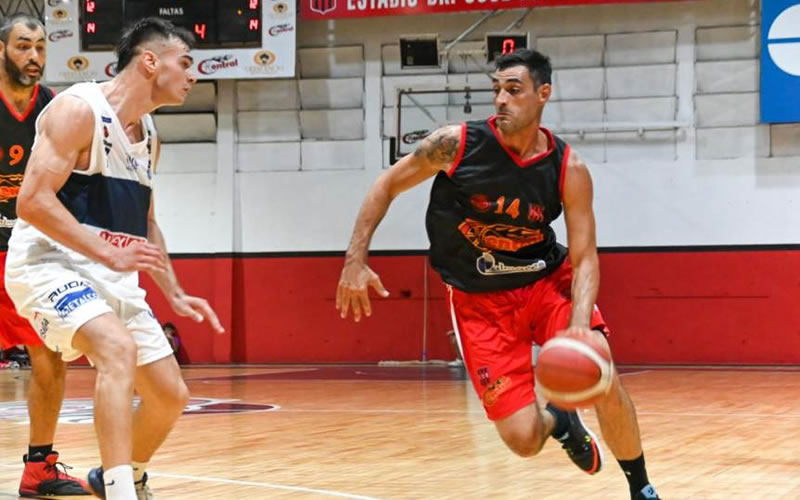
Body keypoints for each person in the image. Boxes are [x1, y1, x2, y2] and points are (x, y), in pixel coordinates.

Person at [336, 49, 660, 500]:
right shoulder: (456, 145)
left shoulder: (568, 169)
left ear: (543, 94)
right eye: (497, 90)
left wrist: (579, 327)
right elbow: (386, 184)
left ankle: (642, 488)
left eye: (513, 90)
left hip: (545, 283)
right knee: (523, 440)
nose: (501, 100)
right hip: (479, 302)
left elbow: (585, 257)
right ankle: (560, 421)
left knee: (599, 367)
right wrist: (355, 259)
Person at [5, 17, 224, 500]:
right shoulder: (78, 110)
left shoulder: (150, 136)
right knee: (116, 349)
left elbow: (147, 223)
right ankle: (123, 492)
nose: (193, 75)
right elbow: (32, 202)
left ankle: (121, 475)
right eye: (185, 62)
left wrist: (175, 293)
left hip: (109, 274)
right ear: (150, 61)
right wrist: (107, 251)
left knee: (170, 396)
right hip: (47, 263)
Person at [0, 12, 90, 497]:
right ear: (1, 50)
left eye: (39, 48)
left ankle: (38, 469)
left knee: (50, 354)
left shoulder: (56, 109)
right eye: (23, 46)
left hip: (24, 253)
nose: (33, 56)